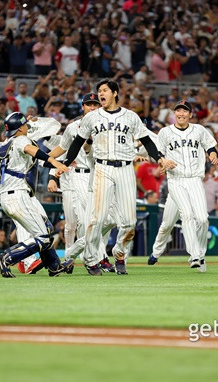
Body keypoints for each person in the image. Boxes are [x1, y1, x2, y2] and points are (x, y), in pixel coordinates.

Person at [59, 79, 176, 276]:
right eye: (98, 91)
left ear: (114, 93)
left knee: (129, 222)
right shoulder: (92, 118)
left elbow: (146, 141)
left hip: (125, 169)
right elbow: (77, 142)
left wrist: (160, 159)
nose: (100, 94)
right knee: (97, 220)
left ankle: (119, 253)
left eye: (104, 91)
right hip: (102, 168)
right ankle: (90, 260)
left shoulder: (130, 117)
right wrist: (63, 162)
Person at [0, 112, 73, 278]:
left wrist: (11, 177)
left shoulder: (2, 147)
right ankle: (7, 257)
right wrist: (55, 162)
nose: (27, 127)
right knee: (43, 237)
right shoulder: (21, 139)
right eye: (25, 125)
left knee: (47, 229)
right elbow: (31, 149)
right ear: (20, 128)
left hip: (10, 195)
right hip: (19, 196)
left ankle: (54, 266)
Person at [147, 100, 218, 271]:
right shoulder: (165, 132)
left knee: (202, 218)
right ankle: (166, 253)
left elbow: (210, 145)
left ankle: (200, 254)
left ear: (190, 114)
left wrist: (213, 154)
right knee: (178, 219)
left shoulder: (199, 130)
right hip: (176, 181)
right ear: (174, 114)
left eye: (184, 111)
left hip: (194, 179)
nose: (181, 114)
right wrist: (163, 162)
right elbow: (158, 152)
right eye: (178, 111)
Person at [47, 93, 115, 272]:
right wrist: (49, 165)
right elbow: (62, 150)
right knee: (84, 223)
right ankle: (96, 258)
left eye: (95, 104)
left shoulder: (106, 126)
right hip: (78, 176)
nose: (92, 107)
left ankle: (70, 255)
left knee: (110, 219)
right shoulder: (72, 127)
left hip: (100, 174)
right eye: (89, 105)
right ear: (83, 107)